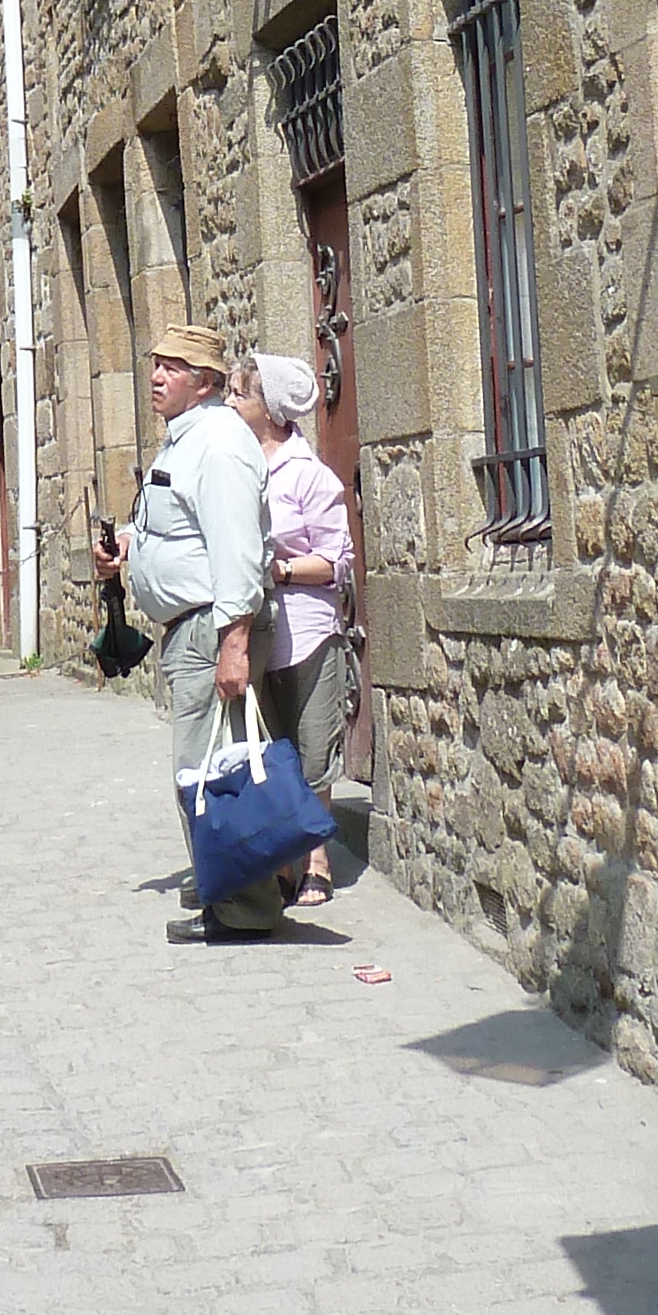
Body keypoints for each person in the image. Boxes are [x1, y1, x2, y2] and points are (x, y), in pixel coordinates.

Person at [103, 319, 283, 944]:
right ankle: (227, 883)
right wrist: (128, 548)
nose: (156, 376)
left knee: (213, 770)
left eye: (172, 368)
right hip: (195, 626)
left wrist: (233, 644)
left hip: (213, 627)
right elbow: (183, 530)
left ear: (204, 383)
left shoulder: (218, 444)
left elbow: (238, 553)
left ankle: (244, 908)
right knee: (207, 767)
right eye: (156, 363)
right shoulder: (186, 442)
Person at [234, 348, 354, 905]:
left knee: (311, 750)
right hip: (259, 630)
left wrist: (278, 567)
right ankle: (284, 861)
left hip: (307, 631)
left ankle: (319, 861)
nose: (232, 401)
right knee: (273, 749)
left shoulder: (309, 476)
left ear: (272, 409)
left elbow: (336, 562)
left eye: (243, 394)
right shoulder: (239, 467)